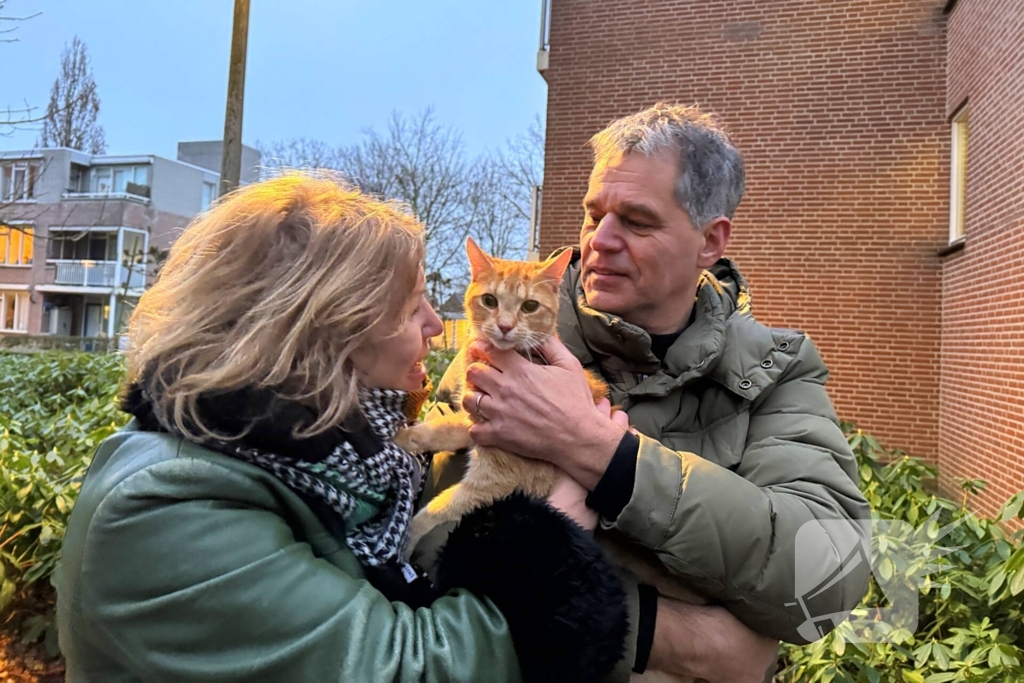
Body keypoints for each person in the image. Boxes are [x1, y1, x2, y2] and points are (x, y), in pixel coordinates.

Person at [55, 173, 632, 682]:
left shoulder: (345, 451)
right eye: (412, 308)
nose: (438, 325)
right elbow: (408, 666)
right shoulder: (165, 509)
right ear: (319, 331)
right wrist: (561, 524)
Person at [422, 103, 872, 682]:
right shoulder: (503, 344)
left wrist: (602, 453)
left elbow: (827, 576)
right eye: (592, 214)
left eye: (636, 221)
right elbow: (422, 550)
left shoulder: (775, 370)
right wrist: (669, 637)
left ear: (710, 241)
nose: (598, 242)